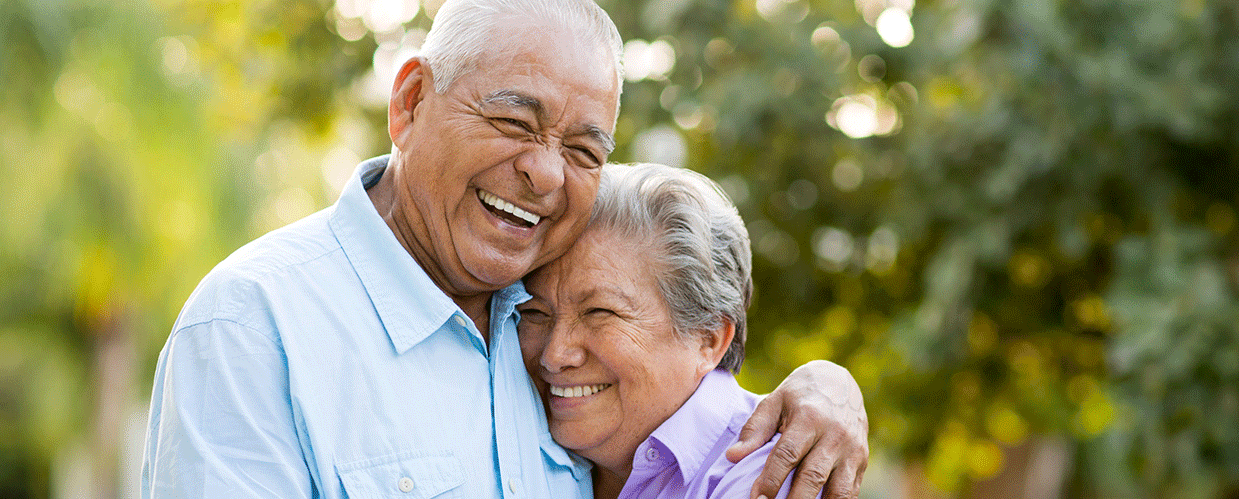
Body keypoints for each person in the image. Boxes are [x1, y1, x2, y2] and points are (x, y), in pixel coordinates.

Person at [140, 0, 867, 497]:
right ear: (411, 102)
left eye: (584, 148)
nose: (546, 171)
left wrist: (827, 385)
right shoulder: (255, 326)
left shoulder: (547, 329)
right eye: (516, 120)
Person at [519, 162, 844, 499]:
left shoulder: (768, 477)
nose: (554, 355)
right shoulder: (521, 432)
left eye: (599, 312)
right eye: (534, 312)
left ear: (708, 339)